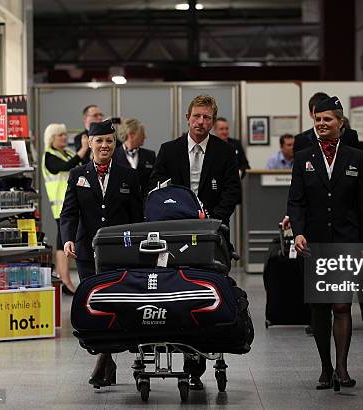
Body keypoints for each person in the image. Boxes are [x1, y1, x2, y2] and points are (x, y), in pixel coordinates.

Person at [149, 95, 241, 391]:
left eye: (207, 118)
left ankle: (197, 363)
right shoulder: (169, 150)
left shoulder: (225, 152)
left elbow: (232, 192)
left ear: (213, 121)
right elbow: (156, 188)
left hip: (211, 234)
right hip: (174, 236)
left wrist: (213, 220)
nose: (202, 122)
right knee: (179, 294)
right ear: (187, 118)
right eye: (197, 116)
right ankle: (184, 354)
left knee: (205, 294)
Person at [287, 96, 363, 391]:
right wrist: (297, 231)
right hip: (313, 242)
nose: (322, 124)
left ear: (340, 123)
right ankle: (325, 367)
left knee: (342, 305)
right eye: (318, 120)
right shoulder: (303, 157)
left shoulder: (355, 157)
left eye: (328, 120)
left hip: (346, 242)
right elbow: (296, 201)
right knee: (320, 308)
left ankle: (343, 369)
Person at [60, 119, 143, 389]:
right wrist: (68, 239)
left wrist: (138, 248)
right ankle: (106, 357)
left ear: (115, 143)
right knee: (96, 305)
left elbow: (137, 217)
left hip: (119, 252)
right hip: (86, 252)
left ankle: (104, 358)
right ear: (89, 143)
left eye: (109, 140)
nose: (104, 145)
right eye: (99, 141)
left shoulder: (128, 176)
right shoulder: (77, 175)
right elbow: (69, 213)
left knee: (114, 304)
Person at [41, 123, 89, 295]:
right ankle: (65, 281)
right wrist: (83, 149)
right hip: (61, 207)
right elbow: (64, 167)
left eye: (64, 134)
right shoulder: (49, 156)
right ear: (51, 138)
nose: (64, 137)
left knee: (66, 241)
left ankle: (65, 280)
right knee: (63, 240)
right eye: (60, 135)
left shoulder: (68, 152)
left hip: (74, 204)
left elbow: (82, 165)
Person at [113, 117, 156, 197]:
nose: (145, 137)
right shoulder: (113, 156)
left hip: (144, 203)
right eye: (142, 134)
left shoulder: (150, 155)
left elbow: (154, 180)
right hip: (121, 204)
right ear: (131, 135)